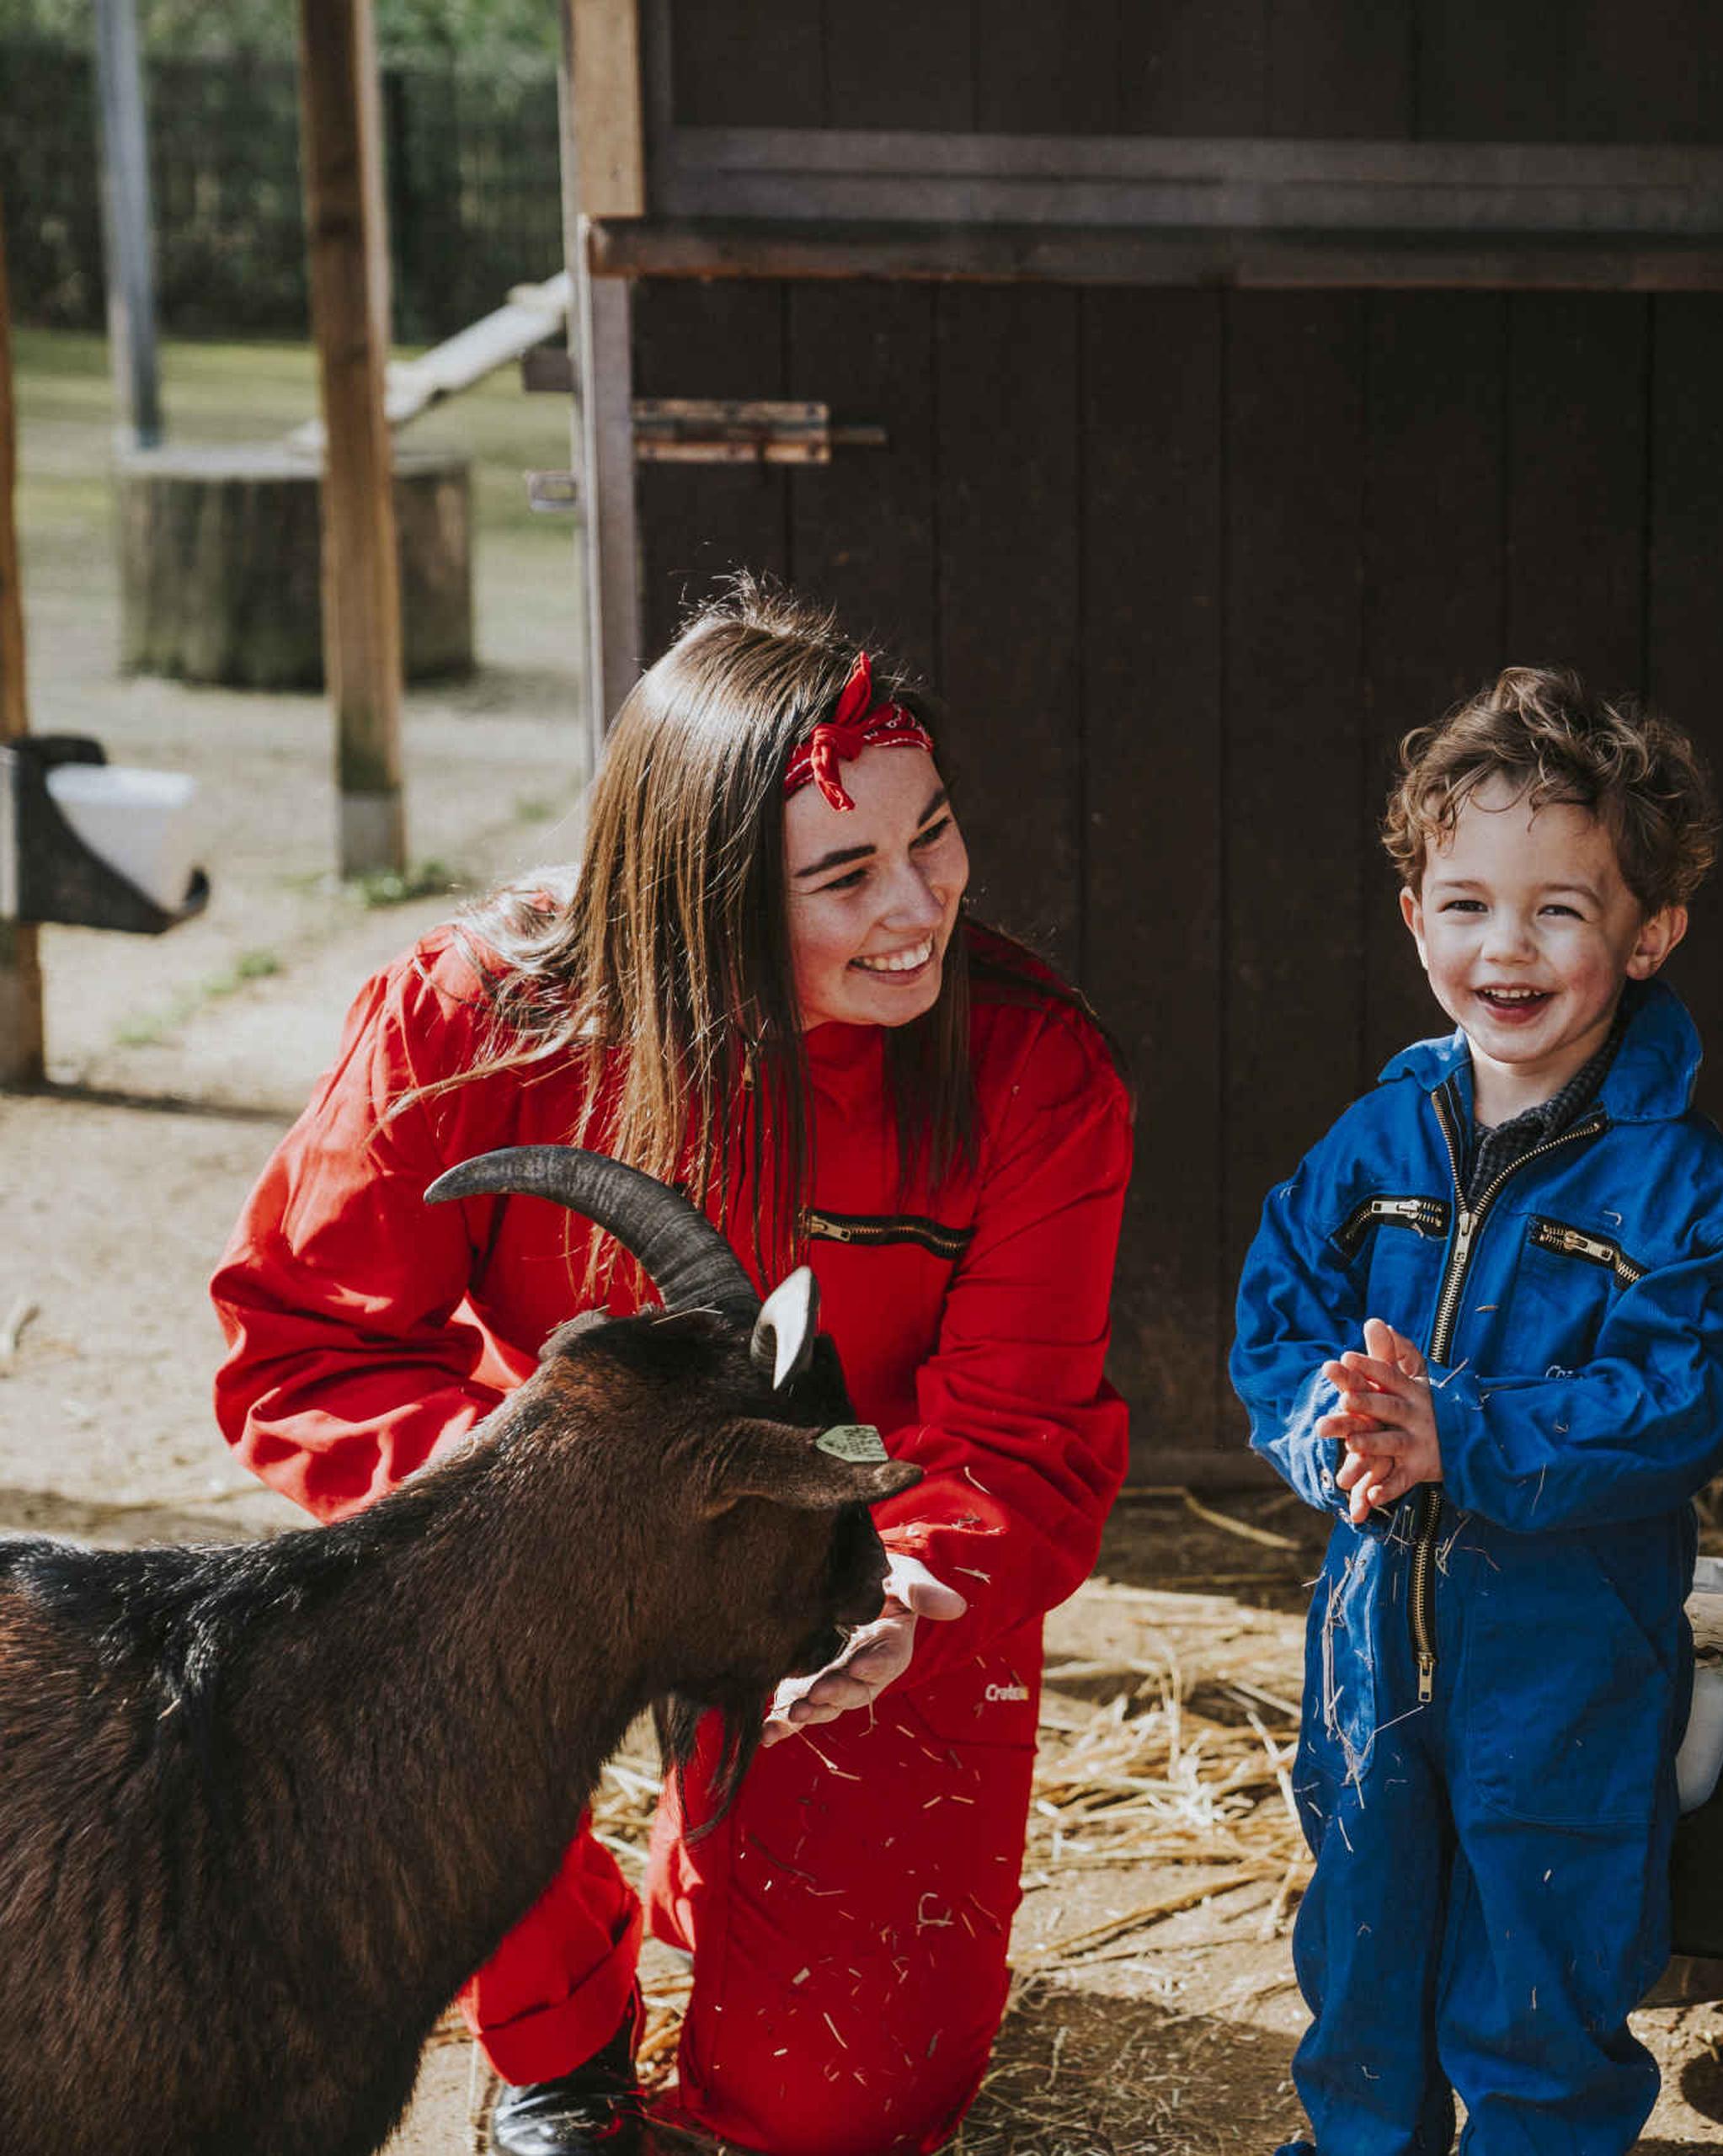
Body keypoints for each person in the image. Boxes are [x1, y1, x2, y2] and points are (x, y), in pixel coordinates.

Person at [209, 584, 1133, 2156]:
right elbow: (310, 1336)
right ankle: (557, 2029)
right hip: (543, 1522)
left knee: (838, 2103)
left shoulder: (1029, 1065)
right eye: (845, 873)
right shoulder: (478, 1015)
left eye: (935, 836)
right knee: (383, 1650)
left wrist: (907, 1579)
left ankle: (726, 1836)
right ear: (701, 896)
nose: (919, 906)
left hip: (867, 1538)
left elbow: (1024, 1439)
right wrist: (502, 1512)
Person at [1231, 667, 1723, 2156]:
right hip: (1370, 1637)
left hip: (1568, 1661)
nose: (1505, 947)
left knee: (1542, 1980)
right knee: (1360, 1952)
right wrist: (1325, 1423)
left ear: (1649, 935)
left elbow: (1686, 1395)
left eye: (1560, 910)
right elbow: (1278, 1307)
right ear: (1416, 916)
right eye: (1466, 904)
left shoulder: (1672, 1179)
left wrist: (1459, 1429)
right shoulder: (1381, 1131)